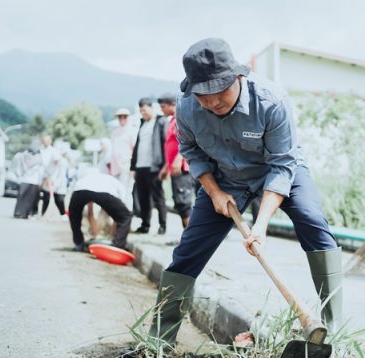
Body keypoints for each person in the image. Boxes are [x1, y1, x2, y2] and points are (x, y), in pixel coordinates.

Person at [147, 38, 343, 345]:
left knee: (312, 220)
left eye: (219, 92)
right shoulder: (186, 107)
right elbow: (191, 149)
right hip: (225, 179)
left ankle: (332, 329)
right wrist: (213, 192)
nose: (211, 102)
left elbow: (282, 164)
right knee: (188, 251)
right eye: (203, 95)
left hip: (277, 168)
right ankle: (158, 340)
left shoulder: (271, 101)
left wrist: (260, 225)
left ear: (239, 76)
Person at [157, 93, 195, 239]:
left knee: (184, 203)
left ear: (173, 104)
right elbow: (171, 145)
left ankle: (191, 240)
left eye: (163, 107)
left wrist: (179, 158)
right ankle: (186, 238)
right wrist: (166, 167)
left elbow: (186, 141)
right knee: (179, 203)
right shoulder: (171, 120)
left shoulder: (181, 119)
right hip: (173, 167)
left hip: (182, 168)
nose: (162, 110)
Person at [68, 170, 132, 252]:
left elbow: (90, 213)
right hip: (102, 192)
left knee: (74, 216)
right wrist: (114, 236)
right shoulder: (120, 188)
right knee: (126, 216)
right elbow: (119, 217)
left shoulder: (87, 179)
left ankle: (78, 243)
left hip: (79, 191)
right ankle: (117, 245)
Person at [130, 98, 168, 235]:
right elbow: (137, 146)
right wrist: (133, 167)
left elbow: (165, 144)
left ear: (151, 108)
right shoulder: (142, 124)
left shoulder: (161, 122)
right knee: (143, 197)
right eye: (141, 111)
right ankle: (145, 225)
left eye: (144, 110)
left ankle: (162, 225)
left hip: (154, 167)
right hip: (140, 166)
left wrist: (165, 165)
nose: (143, 113)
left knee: (158, 197)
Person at [110, 108, 138, 210]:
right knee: (116, 192)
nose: (122, 119)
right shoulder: (115, 132)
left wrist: (133, 168)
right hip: (115, 167)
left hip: (127, 166)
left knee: (126, 192)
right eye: (120, 117)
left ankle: (127, 216)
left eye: (124, 116)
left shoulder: (132, 131)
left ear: (128, 117)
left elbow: (135, 150)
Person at [13, 142, 43, 219]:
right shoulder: (38, 158)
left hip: (29, 180)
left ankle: (21, 213)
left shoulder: (25, 156)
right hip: (30, 180)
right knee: (27, 198)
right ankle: (23, 213)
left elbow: (18, 168)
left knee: (24, 198)